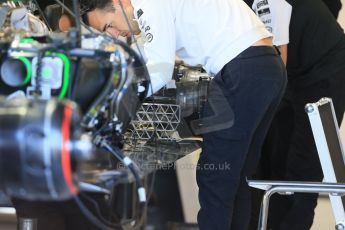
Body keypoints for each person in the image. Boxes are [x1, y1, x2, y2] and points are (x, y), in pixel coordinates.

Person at [79, 0, 287, 229]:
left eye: (109, 26)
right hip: (267, 66)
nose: (116, 34)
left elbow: (160, 69)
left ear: (117, 3)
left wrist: (114, 105)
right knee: (236, 179)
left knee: (216, 179)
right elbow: (148, 56)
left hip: (242, 70)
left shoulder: (149, 4)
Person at [244, 0, 345, 229]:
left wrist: (311, 29)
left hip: (323, 66)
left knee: (303, 170)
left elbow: (276, 60)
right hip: (289, 67)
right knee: (270, 161)